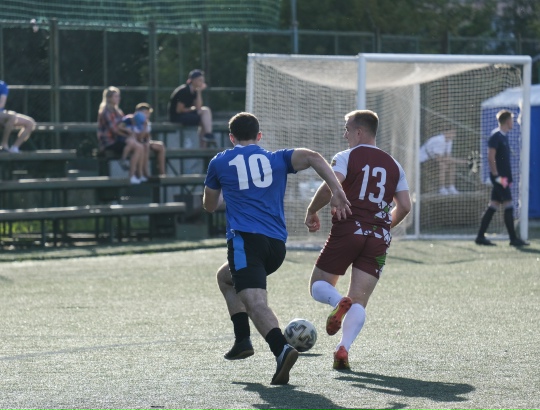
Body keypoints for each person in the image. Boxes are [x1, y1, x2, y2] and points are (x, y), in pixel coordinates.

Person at [203, 112, 351, 385]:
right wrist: (337, 190)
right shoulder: (276, 158)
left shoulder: (220, 161)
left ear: (231, 137)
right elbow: (314, 157)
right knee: (225, 277)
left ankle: (281, 349)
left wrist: (225, 188)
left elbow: (209, 205)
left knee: (255, 302)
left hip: (245, 242)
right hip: (275, 247)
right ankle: (242, 339)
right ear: (259, 136)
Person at [304, 110, 411, 371]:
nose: (345, 134)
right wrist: (382, 226)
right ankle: (343, 347)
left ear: (359, 132)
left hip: (349, 228)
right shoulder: (394, 165)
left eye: (347, 129)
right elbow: (405, 206)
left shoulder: (346, 156)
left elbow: (331, 187)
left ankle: (338, 302)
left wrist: (312, 210)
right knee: (359, 301)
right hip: (378, 238)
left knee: (319, 284)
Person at [475, 109, 529, 247]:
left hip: (503, 178)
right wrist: (496, 176)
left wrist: (507, 178)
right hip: (499, 178)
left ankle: (480, 236)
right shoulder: (496, 136)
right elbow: (490, 156)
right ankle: (513, 239)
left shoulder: (504, 136)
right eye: (512, 120)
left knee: (493, 205)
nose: (513, 122)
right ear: (507, 121)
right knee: (509, 204)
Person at [97, 86, 145, 184]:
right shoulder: (105, 112)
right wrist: (128, 133)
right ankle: (131, 175)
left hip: (119, 139)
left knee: (140, 147)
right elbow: (114, 130)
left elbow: (123, 124)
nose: (118, 98)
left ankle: (137, 175)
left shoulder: (118, 111)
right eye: (115, 96)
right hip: (110, 142)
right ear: (109, 98)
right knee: (134, 144)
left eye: (118, 96)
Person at [168, 69, 215, 147]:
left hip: (185, 114)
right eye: (200, 80)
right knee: (202, 119)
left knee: (206, 111)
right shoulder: (184, 91)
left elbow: (199, 107)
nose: (202, 82)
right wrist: (193, 109)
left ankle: (208, 135)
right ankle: (204, 143)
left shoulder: (195, 91)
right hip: (176, 117)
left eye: (202, 80)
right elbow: (179, 110)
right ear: (193, 80)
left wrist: (199, 92)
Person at [120, 103, 167, 178]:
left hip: (143, 141)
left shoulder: (146, 122)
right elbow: (138, 138)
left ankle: (162, 174)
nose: (147, 115)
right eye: (145, 113)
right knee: (145, 146)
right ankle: (144, 172)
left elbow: (147, 137)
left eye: (148, 113)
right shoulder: (130, 119)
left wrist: (145, 129)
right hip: (134, 142)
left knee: (160, 146)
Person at [419, 129, 464, 195]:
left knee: (452, 164)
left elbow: (448, 156)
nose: (453, 135)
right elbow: (439, 158)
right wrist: (461, 161)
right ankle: (442, 188)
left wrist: (454, 161)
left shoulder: (449, 141)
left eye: (454, 133)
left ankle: (451, 187)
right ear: (445, 132)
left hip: (433, 159)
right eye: (451, 133)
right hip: (424, 159)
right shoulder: (440, 140)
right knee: (442, 165)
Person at [0, 80, 36, 153]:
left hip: (1, 114)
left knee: (30, 123)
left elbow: (1, 104)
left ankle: (14, 148)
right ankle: (4, 145)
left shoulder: (2, 85)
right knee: (12, 116)